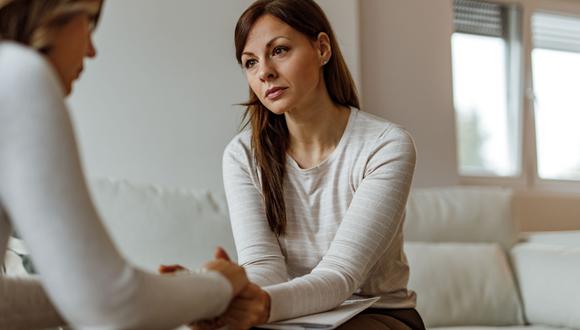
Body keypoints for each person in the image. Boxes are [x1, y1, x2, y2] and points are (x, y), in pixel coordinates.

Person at [0, 1, 247, 328]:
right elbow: (113, 305)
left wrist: (170, 296)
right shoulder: (17, 74)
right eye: (88, 22)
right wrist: (222, 284)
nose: (91, 51)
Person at [218, 0, 426, 329]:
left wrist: (263, 305)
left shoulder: (385, 145)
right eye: (250, 62)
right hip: (287, 315)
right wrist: (219, 295)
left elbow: (341, 276)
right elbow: (264, 267)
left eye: (280, 50)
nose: (264, 72)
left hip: (375, 314)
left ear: (322, 48)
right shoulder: (242, 155)